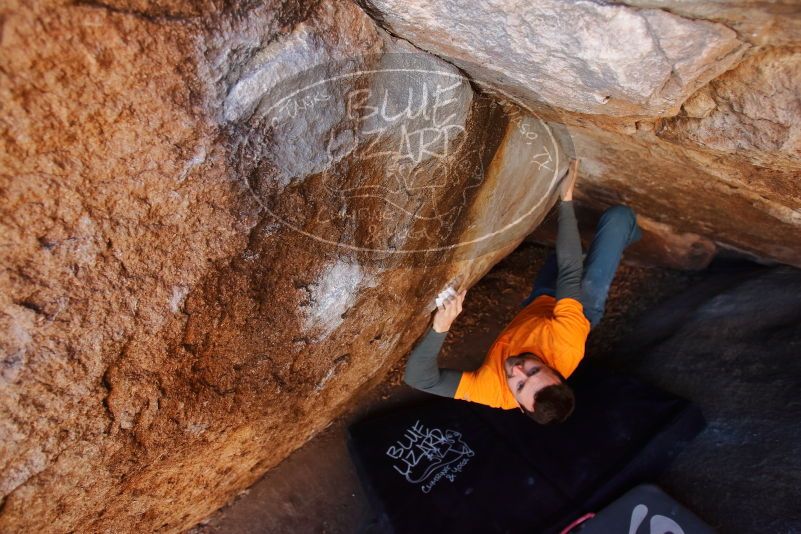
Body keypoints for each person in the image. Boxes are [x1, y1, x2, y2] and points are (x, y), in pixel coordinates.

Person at [404, 159, 642, 424]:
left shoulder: (495, 391)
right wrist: (565, 199)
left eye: (519, 385)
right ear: (553, 369)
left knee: (565, 254)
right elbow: (569, 270)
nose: (518, 369)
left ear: (517, 405)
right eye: (534, 369)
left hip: (539, 304)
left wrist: (440, 327)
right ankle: (626, 236)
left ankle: (594, 247)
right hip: (580, 308)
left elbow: (419, 379)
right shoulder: (567, 341)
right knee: (617, 218)